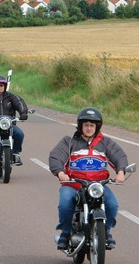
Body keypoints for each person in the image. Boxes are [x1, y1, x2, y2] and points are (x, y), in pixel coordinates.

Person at [48, 107, 128, 250]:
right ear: (80, 126)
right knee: (65, 203)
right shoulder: (69, 142)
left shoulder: (105, 143)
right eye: (86, 125)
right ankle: (65, 233)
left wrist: (121, 172)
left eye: (92, 125)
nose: (89, 128)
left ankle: (106, 232)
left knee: (112, 204)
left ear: (97, 127)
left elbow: (118, 156)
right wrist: (60, 173)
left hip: (98, 185)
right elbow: (56, 156)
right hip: (74, 184)